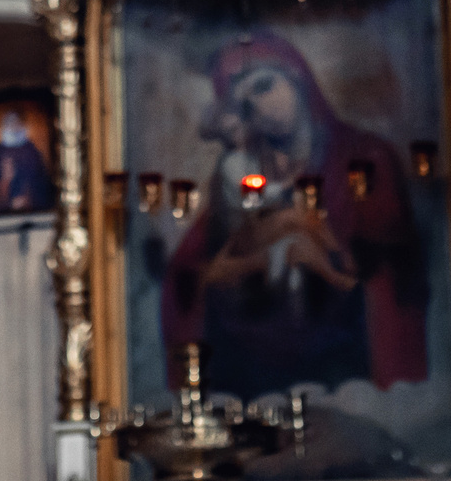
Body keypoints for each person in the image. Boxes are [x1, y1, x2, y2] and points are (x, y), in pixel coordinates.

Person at [162, 33, 425, 400]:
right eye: (245, 104)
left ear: (299, 80)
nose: (260, 107)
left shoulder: (363, 156)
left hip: (341, 354)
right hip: (256, 357)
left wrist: (327, 256)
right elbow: (197, 265)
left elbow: (390, 266)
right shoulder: (241, 169)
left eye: (266, 86)